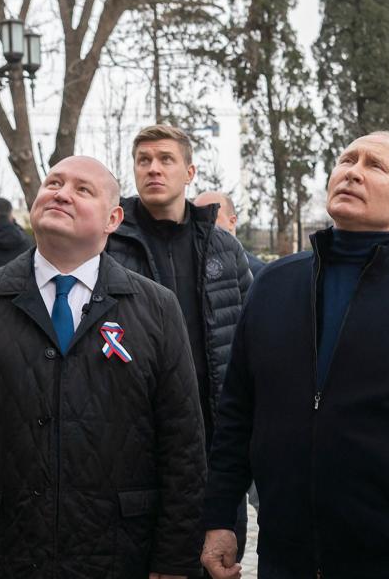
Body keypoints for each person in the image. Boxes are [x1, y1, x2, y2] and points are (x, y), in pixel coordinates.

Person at [201, 131, 389, 579]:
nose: (353, 171)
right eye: (346, 160)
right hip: (285, 556)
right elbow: (237, 413)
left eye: (374, 165)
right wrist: (220, 518)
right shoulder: (274, 285)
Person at [0, 156, 206, 578]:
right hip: (0, 555)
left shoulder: (157, 309)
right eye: (54, 182)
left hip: (122, 555)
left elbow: (183, 447)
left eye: (82, 189)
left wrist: (175, 562)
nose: (61, 193)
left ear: (113, 218)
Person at [106, 126, 252, 558]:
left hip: (214, 438)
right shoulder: (106, 245)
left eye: (166, 159)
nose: (154, 168)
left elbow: (249, 336)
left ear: (188, 172)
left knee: (215, 557)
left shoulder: (224, 248)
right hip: (130, 437)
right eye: (144, 159)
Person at [193, 191, 266, 276]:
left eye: (209, 216)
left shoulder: (260, 273)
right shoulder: (187, 270)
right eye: (196, 218)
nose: (200, 224)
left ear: (232, 222)